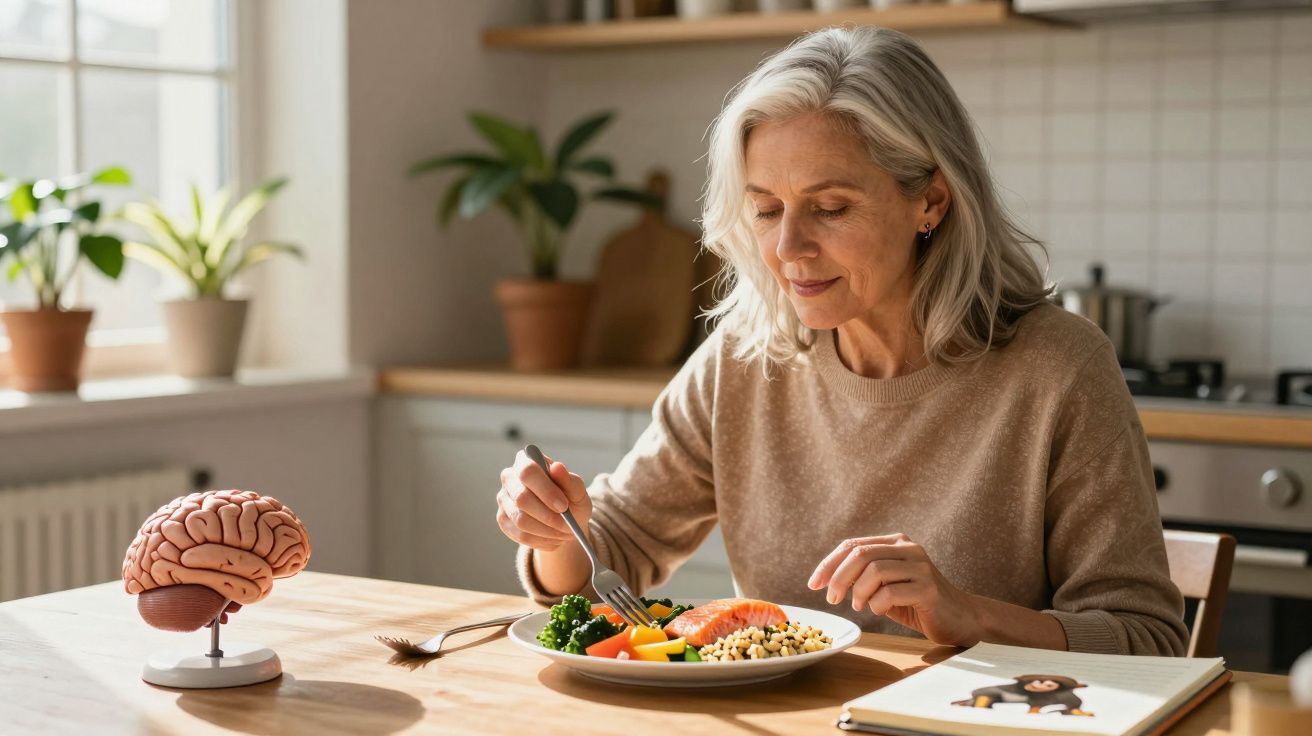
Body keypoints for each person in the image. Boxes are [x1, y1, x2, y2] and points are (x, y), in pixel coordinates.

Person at [495, 26, 1187, 656]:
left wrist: (971, 617)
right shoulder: (745, 357)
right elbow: (606, 562)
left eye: (830, 208)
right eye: (766, 209)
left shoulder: (1058, 369)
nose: (788, 247)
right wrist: (560, 534)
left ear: (931, 202)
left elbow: (1148, 640)